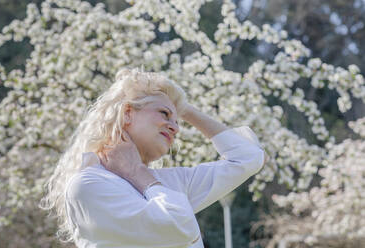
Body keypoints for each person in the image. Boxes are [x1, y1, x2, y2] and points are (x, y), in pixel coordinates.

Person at [40, 68, 267, 248]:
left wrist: (183, 108)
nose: (175, 128)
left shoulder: (170, 183)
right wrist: (136, 172)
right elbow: (177, 226)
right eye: (164, 114)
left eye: (178, 122)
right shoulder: (88, 186)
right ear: (127, 113)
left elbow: (247, 158)